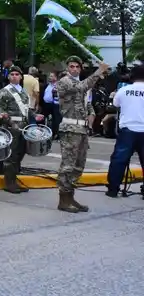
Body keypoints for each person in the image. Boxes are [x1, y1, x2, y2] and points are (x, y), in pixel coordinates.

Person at [55, 56, 108, 212]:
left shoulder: (81, 84)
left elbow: (87, 104)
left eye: (77, 67)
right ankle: (63, 199)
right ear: (67, 68)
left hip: (82, 129)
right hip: (70, 128)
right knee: (68, 165)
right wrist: (99, 71)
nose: (75, 69)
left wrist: (91, 117)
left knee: (78, 166)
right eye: (72, 66)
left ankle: (70, 197)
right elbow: (81, 88)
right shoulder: (65, 81)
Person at [0, 66, 45, 194]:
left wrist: (34, 116)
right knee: (11, 155)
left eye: (17, 74)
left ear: (21, 77)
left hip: (24, 127)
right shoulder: (4, 92)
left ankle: (14, 180)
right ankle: (9, 183)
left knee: (20, 154)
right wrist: (7, 122)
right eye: (12, 74)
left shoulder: (22, 92)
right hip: (11, 127)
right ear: (8, 77)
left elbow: (26, 109)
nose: (15, 76)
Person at [106, 64, 144, 197]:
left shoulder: (123, 90)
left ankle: (113, 189)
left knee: (119, 160)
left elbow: (115, 105)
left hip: (127, 130)